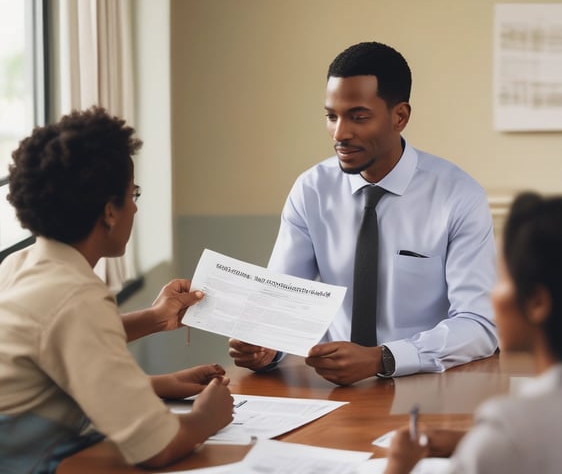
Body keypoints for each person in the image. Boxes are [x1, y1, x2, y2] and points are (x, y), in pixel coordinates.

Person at [229, 41, 498, 385]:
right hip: (332, 389)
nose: (340, 134)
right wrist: (266, 346)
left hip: (430, 385)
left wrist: (383, 358)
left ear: (399, 116)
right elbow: (281, 303)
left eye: (358, 117)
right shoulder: (311, 190)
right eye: (331, 116)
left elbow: (480, 325)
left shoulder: (458, 195)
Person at [0, 107, 234, 472]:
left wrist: (158, 380)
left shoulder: (21, 264)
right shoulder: (77, 296)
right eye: (133, 194)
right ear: (110, 211)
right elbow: (158, 448)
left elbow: (56, 353)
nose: (136, 209)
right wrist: (207, 418)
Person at [384, 192, 562, 474]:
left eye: (502, 280)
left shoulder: (509, 429)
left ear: (538, 303)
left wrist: (397, 466)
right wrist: (473, 440)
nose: (492, 296)